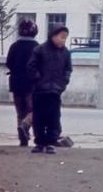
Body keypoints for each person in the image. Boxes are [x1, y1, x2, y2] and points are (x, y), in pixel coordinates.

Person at [27, 25, 72, 154]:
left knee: (54, 118)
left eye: (65, 38)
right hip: (40, 90)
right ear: (53, 36)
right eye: (61, 37)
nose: (63, 40)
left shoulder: (65, 53)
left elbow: (68, 69)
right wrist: (37, 80)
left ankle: (51, 143)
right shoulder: (40, 50)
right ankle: (39, 142)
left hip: (55, 91)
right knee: (39, 118)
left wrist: (63, 82)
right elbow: (31, 66)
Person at [5, 19, 39, 147]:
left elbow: (9, 63)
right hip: (32, 85)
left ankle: (22, 139)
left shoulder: (14, 46)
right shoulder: (37, 47)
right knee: (34, 110)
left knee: (20, 112)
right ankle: (25, 126)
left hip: (16, 83)